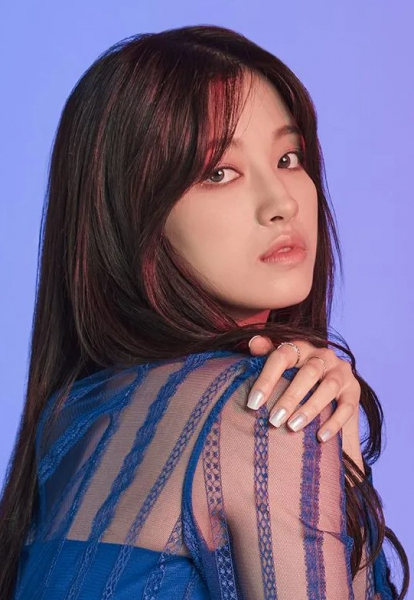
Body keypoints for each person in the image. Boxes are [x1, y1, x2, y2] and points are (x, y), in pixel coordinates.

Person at [0, 24, 409, 600]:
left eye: (288, 157)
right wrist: (317, 436)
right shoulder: (264, 412)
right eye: (219, 172)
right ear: (133, 215)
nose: (282, 202)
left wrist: (338, 451)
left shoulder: (71, 421)